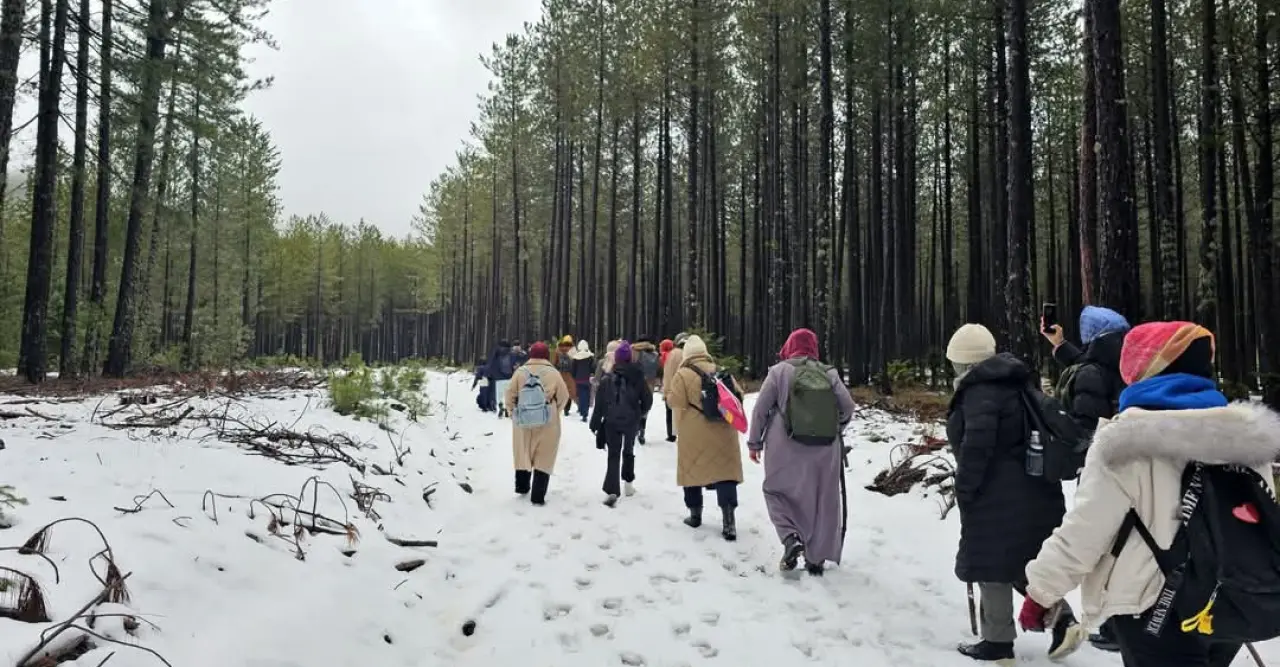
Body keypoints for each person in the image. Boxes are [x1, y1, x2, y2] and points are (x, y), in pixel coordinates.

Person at [1022, 321, 1280, 667]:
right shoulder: (1246, 436)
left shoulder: (1124, 442)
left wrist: (1041, 592)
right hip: (1228, 600)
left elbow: (1085, 531)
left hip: (1152, 606)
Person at [944, 323, 1085, 664]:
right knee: (1023, 562)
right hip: (1035, 490)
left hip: (996, 496)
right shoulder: (1016, 383)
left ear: (963, 362)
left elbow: (976, 448)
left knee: (991, 566)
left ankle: (997, 643)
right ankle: (1063, 620)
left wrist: (964, 489)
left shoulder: (980, 393)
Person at [1041, 304, 1130, 651]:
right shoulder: (1126, 360)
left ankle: (1115, 626)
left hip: (1104, 470)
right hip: (1130, 465)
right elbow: (1093, 373)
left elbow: (1085, 427)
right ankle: (1123, 623)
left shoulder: (1093, 370)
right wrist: (1060, 346)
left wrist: (1051, 415)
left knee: (1106, 548)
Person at [747, 328, 855, 576]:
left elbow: (760, 410)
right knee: (821, 500)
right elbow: (848, 407)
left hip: (784, 445)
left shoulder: (779, 371)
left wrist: (754, 443)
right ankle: (816, 560)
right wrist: (834, 428)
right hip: (826, 448)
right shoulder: (829, 373)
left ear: (789, 346)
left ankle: (790, 538)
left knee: (775, 491)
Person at [666, 334, 745, 541]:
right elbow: (739, 396)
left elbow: (675, 401)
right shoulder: (720, 371)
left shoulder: (683, 374)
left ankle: (695, 515)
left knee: (692, 470)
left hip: (694, 432)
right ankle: (729, 521)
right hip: (724, 430)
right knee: (725, 474)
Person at [504, 342, 570, 505]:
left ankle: (522, 487)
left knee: (523, 451)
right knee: (544, 456)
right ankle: (538, 495)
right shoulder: (554, 373)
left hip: (523, 419)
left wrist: (512, 412)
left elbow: (509, 394)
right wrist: (554, 411)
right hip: (547, 420)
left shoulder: (520, 372)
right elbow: (564, 396)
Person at [591, 341, 653, 507]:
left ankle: (612, 490)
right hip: (631, 421)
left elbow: (599, 404)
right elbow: (648, 400)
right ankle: (628, 484)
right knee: (629, 450)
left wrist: (595, 423)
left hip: (611, 421)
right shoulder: (638, 377)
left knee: (613, 454)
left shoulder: (607, 379)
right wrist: (640, 413)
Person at [632, 336, 661, 444]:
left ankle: (635, 428)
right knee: (646, 406)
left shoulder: (634, 351)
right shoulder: (655, 354)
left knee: (634, 405)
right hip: (650, 383)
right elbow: (659, 369)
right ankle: (642, 429)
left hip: (636, 382)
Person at [662, 333, 689, 442]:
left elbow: (667, 373)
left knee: (670, 411)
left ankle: (671, 434)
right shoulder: (688, 354)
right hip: (684, 387)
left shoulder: (672, 354)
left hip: (672, 387)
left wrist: (666, 391)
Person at [489, 340, 518, 418]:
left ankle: (501, 407)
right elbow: (515, 366)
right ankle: (507, 409)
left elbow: (491, 365)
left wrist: (492, 375)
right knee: (508, 394)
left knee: (500, 395)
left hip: (499, 377)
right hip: (510, 377)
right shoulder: (512, 355)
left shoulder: (496, 354)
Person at [569, 341, 597, 422]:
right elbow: (593, 368)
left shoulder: (576, 358)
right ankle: (585, 413)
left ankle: (582, 410)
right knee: (586, 396)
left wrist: (574, 377)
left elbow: (573, 370)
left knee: (580, 396)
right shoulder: (590, 358)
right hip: (587, 380)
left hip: (578, 380)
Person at [554, 335, 579, 417]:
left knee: (560, 390)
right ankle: (567, 409)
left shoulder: (558, 350)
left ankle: (560, 406)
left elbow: (555, 362)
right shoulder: (573, 350)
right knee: (570, 391)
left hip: (560, 374)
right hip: (570, 375)